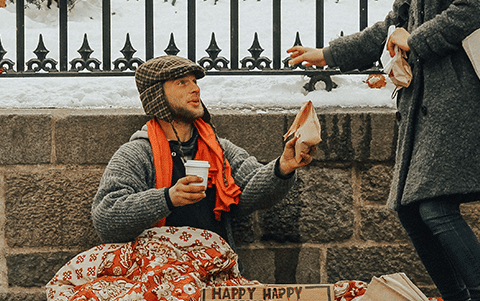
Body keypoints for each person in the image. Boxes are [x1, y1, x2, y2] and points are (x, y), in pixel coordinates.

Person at [287, 0, 480, 301]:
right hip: (436, 105)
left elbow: (472, 6)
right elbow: (391, 25)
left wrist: (417, 40)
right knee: (411, 209)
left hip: (462, 104)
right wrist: (328, 54)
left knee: (433, 207)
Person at [91, 54, 315, 246]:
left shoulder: (218, 148)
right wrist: (168, 198)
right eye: (181, 82)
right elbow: (106, 219)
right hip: (158, 272)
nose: (195, 88)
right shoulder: (136, 154)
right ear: (157, 96)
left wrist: (283, 167)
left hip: (214, 267)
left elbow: (252, 188)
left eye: (194, 82)